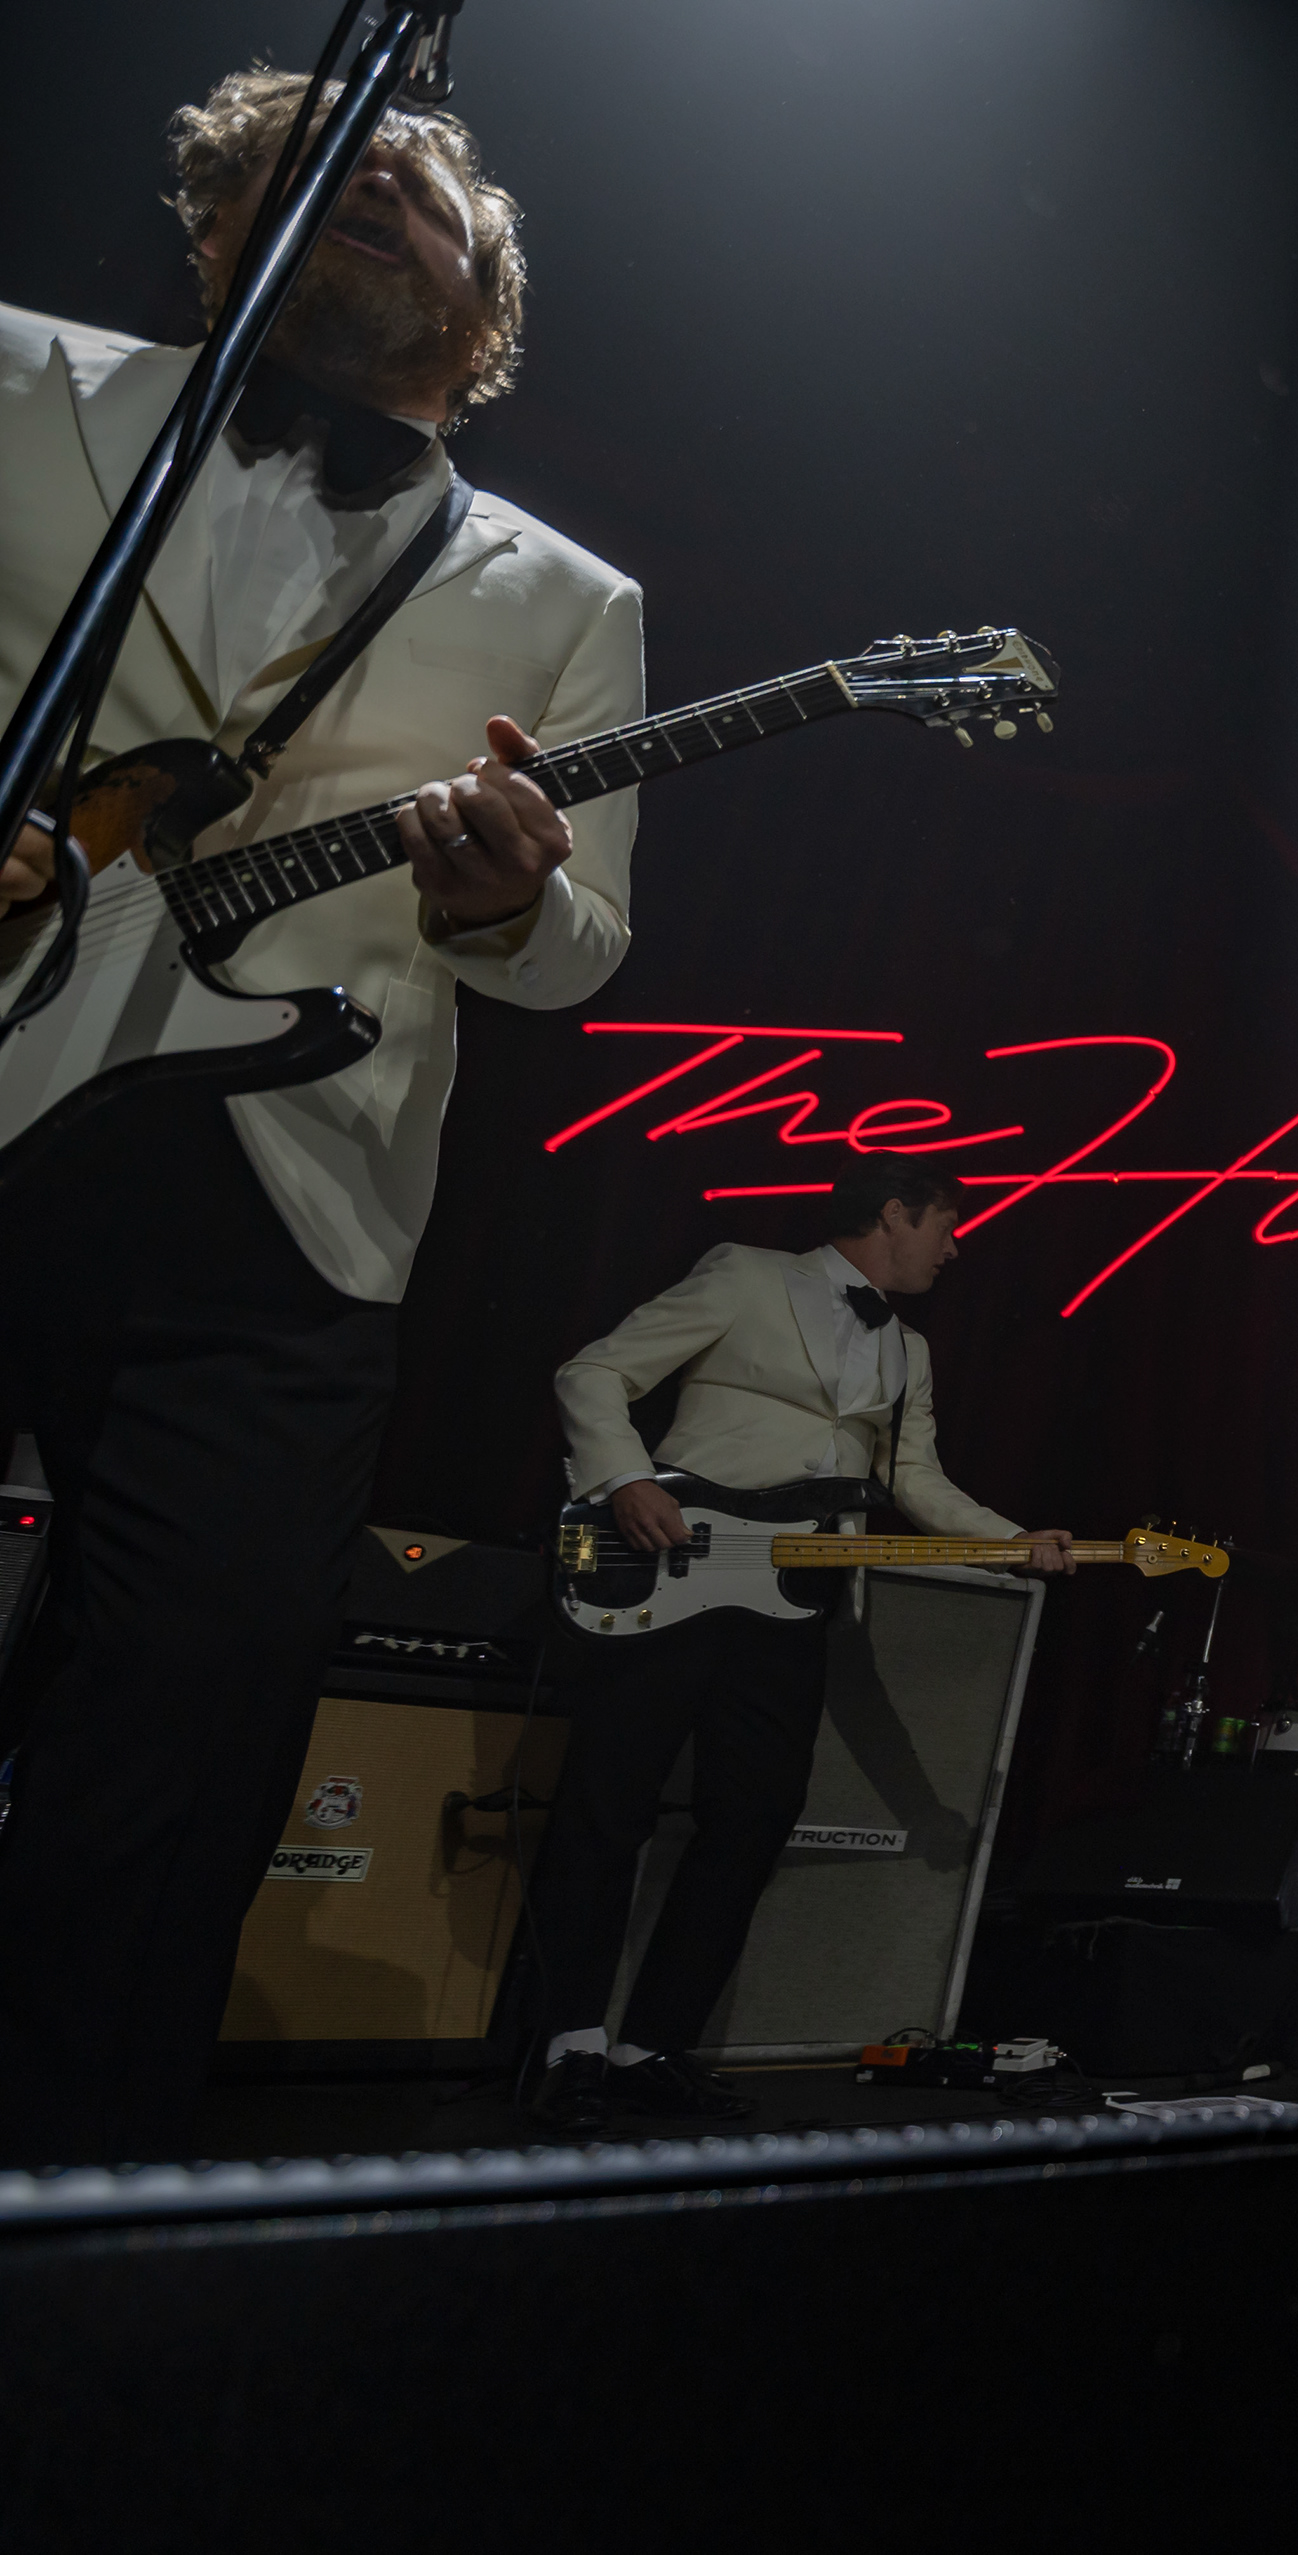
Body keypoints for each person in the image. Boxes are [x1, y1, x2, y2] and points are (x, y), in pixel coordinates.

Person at [0, 75, 641, 2164]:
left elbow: (579, 950)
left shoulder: (571, 595)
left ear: (484, 310)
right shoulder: (23, 382)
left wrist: (512, 898)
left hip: (286, 1199)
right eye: (340, 157)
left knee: (183, 1735)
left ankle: (64, 2214)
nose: (390, 180)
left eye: (434, 191)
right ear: (218, 220)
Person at [519, 1167, 1076, 2131]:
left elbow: (914, 1477)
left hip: (793, 1599)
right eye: (948, 1224)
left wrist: (1013, 1537)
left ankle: (649, 2045)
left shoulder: (910, 1349)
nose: (956, 1246)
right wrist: (624, 1478)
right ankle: (564, 2046)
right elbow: (594, 1371)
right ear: (896, 1211)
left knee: (757, 1815)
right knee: (610, 1806)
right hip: (670, 1571)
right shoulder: (746, 1275)